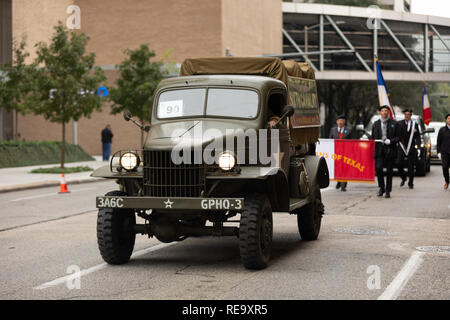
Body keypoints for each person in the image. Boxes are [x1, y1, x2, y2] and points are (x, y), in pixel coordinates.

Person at [370, 105, 400, 198]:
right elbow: (373, 137)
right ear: (380, 112)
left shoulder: (394, 123)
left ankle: (388, 190)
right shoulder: (376, 124)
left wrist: (390, 141)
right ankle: (381, 187)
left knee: (389, 171)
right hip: (379, 150)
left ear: (388, 112)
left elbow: (398, 137)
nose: (384, 112)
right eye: (382, 111)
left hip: (390, 150)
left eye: (386, 111)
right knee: (378, 168)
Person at [397, 109, 420, 189]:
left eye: (408, 114)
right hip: (401, 146)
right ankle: (403, 177)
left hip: (411, 147)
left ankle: (411, 183)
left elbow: (418, 137)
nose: (407, 116)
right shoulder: (399, 123)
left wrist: (418, 147)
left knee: (411, 166)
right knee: (398, 163)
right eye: (405, 114)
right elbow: (396, 135)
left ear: (411, 115)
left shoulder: (415, 124)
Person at [329, 114, 353, 191]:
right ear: (337, 122)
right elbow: (330, 140)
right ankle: (339, 181)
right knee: (338, 168)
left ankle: (343, 185)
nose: (340, 122)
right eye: (339, 120)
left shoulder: (349, 130)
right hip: (335, 152)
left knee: (344, 168)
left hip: (345, 152)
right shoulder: (333, 130)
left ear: (344, 122)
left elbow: (352, 142)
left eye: (342, 120)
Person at [437, 113, 450, 190]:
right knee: (445, 167)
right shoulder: (442, 130)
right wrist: (438, 152)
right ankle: (447, 181)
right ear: (446, 120)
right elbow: (438, 141)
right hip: (444, 153)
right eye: (448, 118)